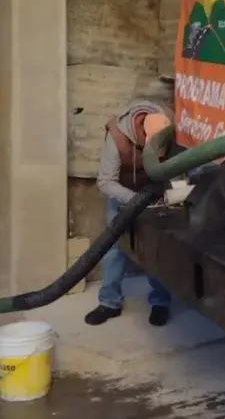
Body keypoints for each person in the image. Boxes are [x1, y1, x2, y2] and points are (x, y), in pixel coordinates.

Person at [84, 99, 176, 327]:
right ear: (141, 132)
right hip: (123, 195)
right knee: (114, 249)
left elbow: (177, 164)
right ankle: (109, 303)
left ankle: (160, 302)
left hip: (155, 194)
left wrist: (172, 193)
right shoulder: (117, 138)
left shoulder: (166, 124)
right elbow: (105, 182)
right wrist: (134, 200)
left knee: (157, 249)